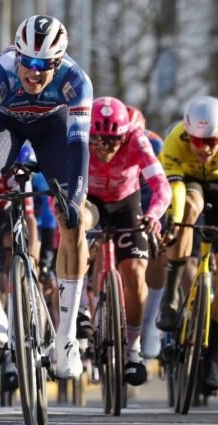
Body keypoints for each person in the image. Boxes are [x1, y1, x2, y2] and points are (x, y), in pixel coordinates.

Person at [0, 15, 93, 379]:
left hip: (53, 128)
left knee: (70, 218)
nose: (35, 72)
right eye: (27, 62)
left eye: (45, 65)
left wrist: (74, 202)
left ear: (59, 62)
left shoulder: (77, 82)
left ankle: (67, 337)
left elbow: (78, 149)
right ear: (17, 54)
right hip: (6, 125)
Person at [157, 96, 218, 391]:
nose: (206, 149)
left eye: (213, 141)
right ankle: (171, 297)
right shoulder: (174, 140)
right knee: (188, 210)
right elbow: (176, 193)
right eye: (198, 141)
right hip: (188, 183)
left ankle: (211, 358)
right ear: (187, 134)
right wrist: (174, 220)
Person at [86, 97, 170, 386]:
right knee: (77, 233)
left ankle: (133, 347)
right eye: (98, 139)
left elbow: (161, 186)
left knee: (135, 273)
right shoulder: (77, 134)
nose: (106, 147)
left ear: (125, 134)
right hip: (89, 200)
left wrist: (154, 215)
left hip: (125, 203)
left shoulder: (136, 140)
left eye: (113, 140)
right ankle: (82, 310)